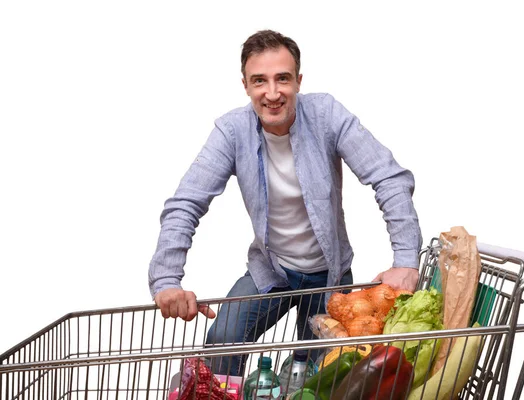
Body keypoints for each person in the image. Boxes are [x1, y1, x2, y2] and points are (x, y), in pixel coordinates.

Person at [148, 30, 422, 376]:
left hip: (330, 278)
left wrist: (406, 260)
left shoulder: (326, 115)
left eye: (283, 79)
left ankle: (304, 369)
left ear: (299, 81)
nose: (272, 93)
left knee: (326, 376)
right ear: (246, 85)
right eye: (260, 81)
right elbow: (186, 203)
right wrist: (167, 281)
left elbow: (388, 177)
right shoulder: (231, 131)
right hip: (271, 271)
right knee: (222, 341)